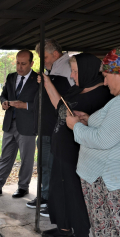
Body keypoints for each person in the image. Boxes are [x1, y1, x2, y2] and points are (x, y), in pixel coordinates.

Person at [66, 43, 120, 237]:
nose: (104, 82)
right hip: (107, 181)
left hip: (112, 184)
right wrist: (88, 120)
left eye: (106, 76)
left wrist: (75, 126)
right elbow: (114, 131)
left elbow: (103, 140)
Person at [39, 53, 113, 237]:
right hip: (61, 149)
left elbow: (103, 127)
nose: (72, 75)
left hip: (78, 153)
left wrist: (88, 119)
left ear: (88, 70)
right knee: (58, 190)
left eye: (75, 71)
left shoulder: (103, 95)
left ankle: (80, 234)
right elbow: (60, 107)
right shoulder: (77, 90)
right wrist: (47, 83)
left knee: (74, 193)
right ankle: (63, 227)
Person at [0, 50, 39, 198]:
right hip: (9, 124)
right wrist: (4, 103)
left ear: (32, 63)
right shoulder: (11, 77)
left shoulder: (38, 79)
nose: (19, 67)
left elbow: (43, 104)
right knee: (5, 156)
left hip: (27, 126)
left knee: (26, 158)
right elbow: (3, 95)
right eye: (18, 63)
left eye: (23, 64)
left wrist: (25, 105)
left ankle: (23, 187)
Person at [30, 39, 75, 216]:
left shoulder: (67, 68)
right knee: (43, 165)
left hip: (57, 128)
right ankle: (45, 195)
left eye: (44, 57)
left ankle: (53, 200)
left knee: (53, 166)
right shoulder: (52, 68)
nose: (43, 61)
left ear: (55, 54)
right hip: (45, 126)